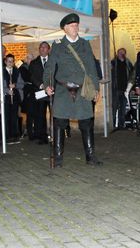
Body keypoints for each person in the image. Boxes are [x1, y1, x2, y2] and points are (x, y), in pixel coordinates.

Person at [44, 13, 101, 167]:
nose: (75, 27)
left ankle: (90, 157)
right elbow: (50, 68)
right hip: (63, 90)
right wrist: (47, 84)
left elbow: (91, 67)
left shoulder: (84, 44)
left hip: (82, 90)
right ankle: (57, 159)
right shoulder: (57, 45)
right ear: (65, 28)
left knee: (86, 122)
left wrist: (96, 88)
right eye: (72, 25)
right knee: (59, 122)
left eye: (76, 25)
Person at [29, 41, 50, 144]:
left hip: (52, 92)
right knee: (40, 115)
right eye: (41, 47)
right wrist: (41, 85)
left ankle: (56, 135)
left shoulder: (53, 61)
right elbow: (32, 76)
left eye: (45, 47)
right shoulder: (34, 62)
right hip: (40, 92)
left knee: (54, 114)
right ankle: (43, 137)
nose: (42, 49)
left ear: (48, 49)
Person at [3, 54, 24, 142]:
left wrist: (15, 85)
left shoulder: (16, 71)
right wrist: (7, 90)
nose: (10, 63)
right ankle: (6, 135)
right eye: (9, 61)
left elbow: (22, 84)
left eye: (12, 61)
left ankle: (14, 135)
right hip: (5, 98)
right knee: (6, 117)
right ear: (5, 62)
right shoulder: (2, 72)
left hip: (15, 98)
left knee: (14, 116)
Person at [111, 48, 134, 130]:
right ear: (117, 53)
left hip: (125, 90)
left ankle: (121, 125)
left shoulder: (128, 63)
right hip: (116, 89)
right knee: (114, 107)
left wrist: (132, 88)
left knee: (123, 108)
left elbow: (132, 75)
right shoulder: (113, 63)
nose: (121, 54)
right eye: (120, 53)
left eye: (123, 53)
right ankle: (112, 125)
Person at [19, 53, 35, 139]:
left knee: (33, 113)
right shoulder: (23, 68)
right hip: (27, 93)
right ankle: (29, 132)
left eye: (32, 59)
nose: (31, 60)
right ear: (26, 59)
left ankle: (33, 130)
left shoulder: (33, 68)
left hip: (33, 92)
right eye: (29, 58)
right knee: (29, 113)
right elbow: (29, 79)